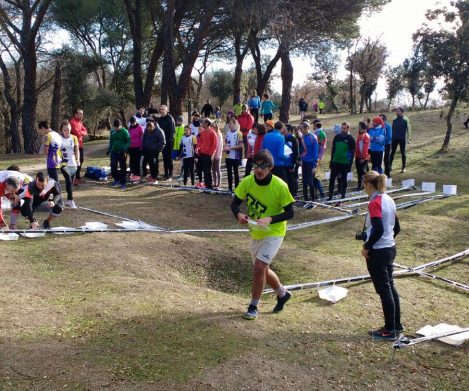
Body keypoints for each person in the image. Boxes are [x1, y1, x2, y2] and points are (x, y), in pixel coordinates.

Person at [231, 149, 295, 320]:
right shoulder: (247, 182)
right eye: (256, 165)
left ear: (270, 167)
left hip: (274, 232)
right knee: (263, 269)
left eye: (263, 166)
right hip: (256, 232)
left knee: (259, 267)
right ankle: (282, 293)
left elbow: (290, 212)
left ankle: (253, 306)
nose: (259, 170)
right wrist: (238, 215)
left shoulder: (279, 186)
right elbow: (235, 204)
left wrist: (270, 219)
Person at [361, 170, 402, 341]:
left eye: (364, 185)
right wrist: (387, 240)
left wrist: (368, 247)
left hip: (379, 251)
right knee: (390, 287)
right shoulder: (389, 199)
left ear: (369, 185)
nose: (364, 188)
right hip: (390, 248)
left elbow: (378, 228)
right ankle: (396, 325)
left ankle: (389, 330)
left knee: (385, 290)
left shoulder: (375, 202)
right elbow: (396, 227)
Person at [328, 122, 356, 202]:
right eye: (342, 128)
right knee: (332, 179)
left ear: (348, 129)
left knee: (344, 179)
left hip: (344, 163)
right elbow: (333, 150)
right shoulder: (337, 137)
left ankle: (343, 195)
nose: (343, 130)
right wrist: (331, 161)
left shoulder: (351, 139)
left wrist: (349, 165)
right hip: (335, 161)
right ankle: (330, 195)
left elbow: (352, 153)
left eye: (344, 128)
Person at [59, 120, 80, 208]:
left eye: (68, 130)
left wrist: (78, 159)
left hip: (73, 163)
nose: (67, 132)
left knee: (70, 182)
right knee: (68, 180)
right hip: (63, 163)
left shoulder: (74, 138)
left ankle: (68, 199)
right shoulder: (59, 138)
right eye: (65, 130)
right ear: (61, 130)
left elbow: (77, 149)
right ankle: (71, 200)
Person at [107, 119, 130, 189]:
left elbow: (128, 141)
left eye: (117, 127)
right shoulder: (112, 131)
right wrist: (109, 150)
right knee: (113, 166)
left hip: (122, 152)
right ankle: (116, 179)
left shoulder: (125, 131)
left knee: (123, 167)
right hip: (114, 151)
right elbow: (111, 141)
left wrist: (125, 147)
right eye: (115, 127)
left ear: (121, 126)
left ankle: (123, 182)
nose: (116, 128)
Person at [299, 122, 319, 201]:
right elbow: (302, 150)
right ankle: (306, 199)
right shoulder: (303, 137)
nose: (300, 130)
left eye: (301, 128)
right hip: (304, 162)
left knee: (310, 182)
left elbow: (315, 151)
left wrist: (314, 165)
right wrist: (300, 159)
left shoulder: (313, 137)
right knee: (304, 182)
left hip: (311, 162)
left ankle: (313, 198)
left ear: (307, 128)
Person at [141, 119, 166, 183]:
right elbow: (143, 140)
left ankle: (154, 176)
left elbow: (162, 142)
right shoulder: (146, 131)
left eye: (150, 129)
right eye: (148, 129)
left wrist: (158, 150)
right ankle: (149, 175)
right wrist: (143, 148)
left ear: (153, 126)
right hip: (146, 150)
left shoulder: (159, 131)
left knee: (153, 164)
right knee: (145, 163)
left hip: (154, 151)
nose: (149, 130)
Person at [196, 118, 217, 189]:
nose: (201, 124)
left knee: (207, 171)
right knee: (205, 171)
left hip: (208, 155)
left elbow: (214, 144)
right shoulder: (203, 132)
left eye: (203, 122)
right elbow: (200, 142)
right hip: (202, 154)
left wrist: (210, 154)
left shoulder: (212, 133)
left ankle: (209, 186)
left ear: (207, 124)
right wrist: (198, 148)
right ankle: (206, 186)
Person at [224, 118, 243, 192]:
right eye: (229, 123)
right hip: (228, 156)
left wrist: (231, 148)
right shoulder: (228, 133)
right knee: (229, 173)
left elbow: (241, 146)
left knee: (236, 173)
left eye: (231, 123)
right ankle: (229, 188)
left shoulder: (239, 133)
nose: (229, 125)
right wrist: (225, 147)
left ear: (235, 124)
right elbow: (225, 142)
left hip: (235, 156)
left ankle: (237, 189)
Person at [156, 105, 175, 180]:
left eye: (162, 109)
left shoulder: (170, 118)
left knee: (169, 158)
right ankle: (166, 174)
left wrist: (170, 140)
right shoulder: (160, 119)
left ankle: (170, 174)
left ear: (166, 110)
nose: (161, 110)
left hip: (169, 141)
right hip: (162, 142)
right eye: (160, 109)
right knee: (164, 158)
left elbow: (172, 130)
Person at [390, 107, 411, 173]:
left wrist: (409, 139)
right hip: (394, 138)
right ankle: (389, 166)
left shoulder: (406, 119)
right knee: (392, 152)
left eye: (398, 111)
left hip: (402, 139)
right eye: (396, 111)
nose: (397, 112)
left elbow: (409, 129)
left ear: (402, 112)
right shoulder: (394, 119)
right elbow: (392, 130)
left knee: (403, 153)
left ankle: (403, 168)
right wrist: (391, 139)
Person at [69, 109, 87, 184]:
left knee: (81, 160)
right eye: (80, 114)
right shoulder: (72, 122)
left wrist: (82, 133)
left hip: (80, 144)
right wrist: (82, 133)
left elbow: (85, 131)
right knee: (74, 161)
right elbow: (77, 133)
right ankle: (74, 178)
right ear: (75, 114)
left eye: (82, 114)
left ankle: (78, 177)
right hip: (74, 145)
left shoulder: (80, 122)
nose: (81, 115)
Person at [128, 116, 144, 182]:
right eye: (131, 123)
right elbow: (128, 137)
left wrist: (142, 146)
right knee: (132, 161)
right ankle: (132, 173)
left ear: (136, 122)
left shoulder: (140, 127)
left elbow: (142, 137)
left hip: (138, 147)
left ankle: (137, 174)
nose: (133, 124)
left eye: (134, 122)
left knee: (137, 161)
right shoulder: (129, 128)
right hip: (131, 147)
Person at [284, 124, 299, 197]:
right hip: (284, 164)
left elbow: (296, 152)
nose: (284, 131)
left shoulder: (293, 139)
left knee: (291, 180)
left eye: (285, 130)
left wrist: (293, 164)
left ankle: (293, 194)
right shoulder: (283, 138)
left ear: (290, 131)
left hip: (290, 164)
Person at [355, 121, 370, 191]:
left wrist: (362, 157)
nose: (358, 127)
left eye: (359, 125)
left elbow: (364, 148)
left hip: (362, 158)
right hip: (358, 156)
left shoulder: (365, 136)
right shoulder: (360, 134)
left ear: (361, 127)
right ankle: (360, 185)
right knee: (359, 172)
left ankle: (363, 186)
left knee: (362, 172)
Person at [380, 113, 392, 178]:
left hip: (387, 145)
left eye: (380, 119)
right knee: (380, 160)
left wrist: (382, 141)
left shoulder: (388, 126)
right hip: (380, 146)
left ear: (384, 119)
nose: (379, 120)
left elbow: (389, 136)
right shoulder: (379, 126)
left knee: (386, 160)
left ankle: (388, 175)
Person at [212, 123, 224, 188]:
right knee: (213, 169)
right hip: (213, 155)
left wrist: (218, 155)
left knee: (217, 169)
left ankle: (219, 183)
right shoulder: (213, 134)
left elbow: (219, 146)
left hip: (217, 155)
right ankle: (215, 182)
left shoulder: (219, 135)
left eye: (213, 127)